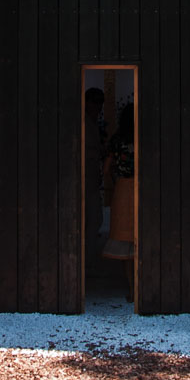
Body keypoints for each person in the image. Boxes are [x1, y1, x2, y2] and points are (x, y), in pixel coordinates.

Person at [100, 102, 135, 265]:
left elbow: (106, 169)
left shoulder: (117, 139)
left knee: (123, 237)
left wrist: (116, 178)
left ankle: (130, 285)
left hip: (123, 188)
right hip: (144, 188)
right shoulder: (145, 137)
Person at [83, 87, 107, 268]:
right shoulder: (85, 123)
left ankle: (87, 258)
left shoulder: (91, 123)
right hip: (85, 178)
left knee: (94, 218)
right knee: (92, 218)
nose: (98, 109)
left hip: (91, 177)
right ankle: (86, 259)